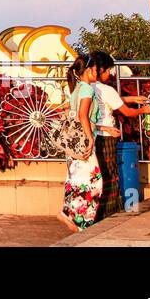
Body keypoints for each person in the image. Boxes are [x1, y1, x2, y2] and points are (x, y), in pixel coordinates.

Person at [88, 51, 150, 220]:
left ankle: (94, 212)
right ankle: (108, 213)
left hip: (93, 134)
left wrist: (131, 98)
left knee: (98, 173)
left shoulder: (86, 87)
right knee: (110, 174)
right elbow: (128, 113)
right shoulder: (106, 89)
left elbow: (113, 99)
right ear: (100, 69)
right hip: (107, 135)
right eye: (108, 70)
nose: (110, 74)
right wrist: (143, 110)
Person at [58, 54, 102, 233]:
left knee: (76, 179)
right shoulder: (87, 90)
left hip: (74, 142)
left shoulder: (77, 89)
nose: (97, 73)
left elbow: (70, 110)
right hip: (84, 140)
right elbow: (83, 114)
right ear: (90, 69)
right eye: (96, 69)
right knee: (94, 182)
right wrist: (90, 137)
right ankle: (80, 221)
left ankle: (70, 215)